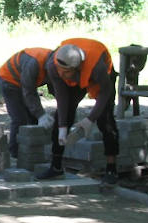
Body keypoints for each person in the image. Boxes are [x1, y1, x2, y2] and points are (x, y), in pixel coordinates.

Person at [37, 37, 120, 186]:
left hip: (103, 79)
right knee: (63, 116)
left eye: (65, 72)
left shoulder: (98, 68)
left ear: (77, 68)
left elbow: (105, 93)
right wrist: (62, 127)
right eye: (59, 71)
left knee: (105, 120)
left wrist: (90, 119)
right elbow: (62, 97)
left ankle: (111, 169)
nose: (61, 74)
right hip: (77, 74)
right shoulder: (53, 65)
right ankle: (56, 167)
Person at [0, 47, 54, 162]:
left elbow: (55, 87)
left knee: (33, 118)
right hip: (9, 80)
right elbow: (28, 91)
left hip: (24, 82)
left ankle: (33, 153)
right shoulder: (33, 64)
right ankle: (14, 153)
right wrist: (41, 114)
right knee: (19, 119)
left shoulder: (55, 64)